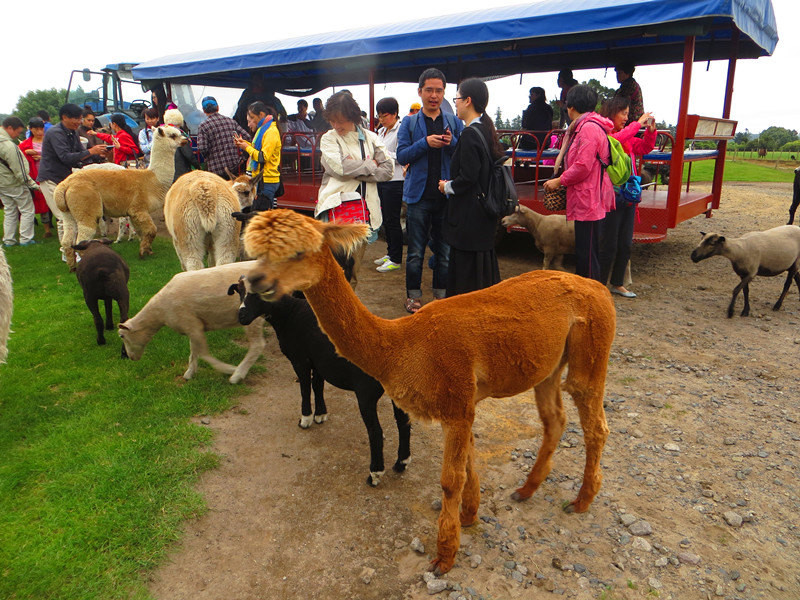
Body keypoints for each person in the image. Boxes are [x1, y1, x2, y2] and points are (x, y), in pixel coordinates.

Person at [396, 68, 463, 313]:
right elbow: (401, 155)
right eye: (429, 90)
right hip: (418, 197)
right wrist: (425, 143)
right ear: (420, 91)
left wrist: (451, 142)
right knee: (415, 252)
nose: (433, 95)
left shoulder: (454, 122)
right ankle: (413, 296)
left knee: (444, 253)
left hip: (445, 196)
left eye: (438, 90)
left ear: (444, 93)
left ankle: (441, 298)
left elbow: (463, 155)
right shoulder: (410, 122)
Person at [316, 92, 393, 278]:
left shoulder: (370, 138)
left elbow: (389, 170)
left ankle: (347, 306)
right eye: (332, 121)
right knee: (331, 269)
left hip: (364, 212)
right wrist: (370, 164)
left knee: (353, 270)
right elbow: (339, 168)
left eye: (340, 121)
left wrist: (354, 171)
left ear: (352, 117)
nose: (336, 126)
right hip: (335, 211)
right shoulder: (329, 138)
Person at [437, 78, 502, 296]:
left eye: (456, 98)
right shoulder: (485, 129)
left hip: (470, 218)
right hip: (484, 214)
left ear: (468, 101)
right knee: (482, 273)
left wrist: (447, 187)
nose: (454, 103)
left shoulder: (470, 134)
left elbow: (468, 178)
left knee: (466, 278)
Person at [543, 84, 614, 281]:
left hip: (588, 198)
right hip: (587, 196)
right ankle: (589, 294)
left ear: (571, 107)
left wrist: (560, 180)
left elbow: (583, 165)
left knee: (587, 254)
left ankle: (590, 298)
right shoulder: (587, 126)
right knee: (586, 250)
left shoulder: (588, 128)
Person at [598, 96, 656, 298]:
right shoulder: (606, 135)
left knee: (625, 242)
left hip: (629, 195)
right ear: (611, 113)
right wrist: (637, 124)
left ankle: (617, 283)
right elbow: (617, 140)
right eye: (622, 113)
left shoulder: (627, 137)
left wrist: (650, 132)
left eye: (627, 113)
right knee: (609, 243)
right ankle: (599, 285)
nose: (626, 117)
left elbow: (645, 148)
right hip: (612, 195)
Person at [37, 103, 107, 248]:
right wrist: (90, 152)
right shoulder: (55, 133)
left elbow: (80, 154)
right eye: (76, 118)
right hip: (50, 178)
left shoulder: (73, 132)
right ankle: (67, 252)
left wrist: (98, 155)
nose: (78, 122)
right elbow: (65, 157)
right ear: (64, 117)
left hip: (66, 178)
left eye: (80, 118)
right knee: (64, 217)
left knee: (72, 217)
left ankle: (75, 251)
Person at [374, 97, 404, 272]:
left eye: (385, 116)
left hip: (395, 180)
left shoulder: (401, 131)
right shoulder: (381, 131)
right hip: (382, 179)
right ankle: (390, 252)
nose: (382, 119)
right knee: (386, 219)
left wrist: (383, 155)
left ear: (394, 114)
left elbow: (402, 155)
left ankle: (396, 258)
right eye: (380, 116)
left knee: (393, 220)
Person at [233, 101, 282, 211]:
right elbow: (258, 150)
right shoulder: (263, 130)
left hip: (267, 180)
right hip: (262, 180)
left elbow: (263, 157)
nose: (249, 124)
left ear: (261, 115)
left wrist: (246, 147)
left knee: (260, 215)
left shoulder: (271, 131)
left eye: (251, 120)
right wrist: (245, 144)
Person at [0, 117, 40, 246]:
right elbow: (19, 169)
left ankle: (9, 240)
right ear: (10, 128)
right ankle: (26, 239)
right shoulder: (9, 146)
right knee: (27, 209)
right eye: (17, 132)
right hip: (15, 182)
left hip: (2, 183)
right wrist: (31, 184)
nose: (18, 135)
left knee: (10, 210)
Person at [196, 96, 250, 178]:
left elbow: (202, 148)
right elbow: (247, 137)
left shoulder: (203, 126)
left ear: (204, 110)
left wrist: (209, 158)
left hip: (215, 169)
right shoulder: (231, 121)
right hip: (234, 167)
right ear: (217, 107)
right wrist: (243, 157)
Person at [18, 117, 52, 237]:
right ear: (31, 129)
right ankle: (45, 229)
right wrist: (26, 153)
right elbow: (18, 158)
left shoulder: (49, 141)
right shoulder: (25, 145)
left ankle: (51, 227)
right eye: (36, 129)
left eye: (41, 129)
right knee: (38, 201)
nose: (39, 132)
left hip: (49, 174)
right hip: (33, 176)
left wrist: (42, 159)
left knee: (51, 200)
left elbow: (56, 156)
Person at [163, 108, 199, 182]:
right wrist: (198, 166)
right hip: (180, 173)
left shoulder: (162, 134)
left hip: (166, 173)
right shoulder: (179, 135)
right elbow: (188, 155)